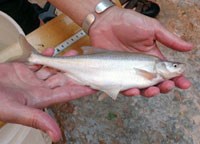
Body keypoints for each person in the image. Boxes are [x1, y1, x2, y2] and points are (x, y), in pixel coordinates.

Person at [0, 0, 193, 142]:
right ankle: (35, 55)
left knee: (25, 18)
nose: (177, 68)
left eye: (174, 66)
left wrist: (102, 16)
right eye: (174, 66)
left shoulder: (154, 68)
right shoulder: (153, 70)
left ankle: (37, 36)